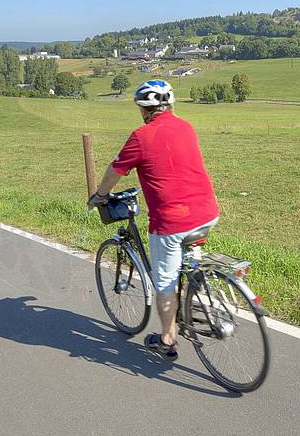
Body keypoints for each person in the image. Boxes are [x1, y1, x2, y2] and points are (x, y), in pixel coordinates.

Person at [88, 79, 219, 360]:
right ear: (169, 104)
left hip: (171, 222)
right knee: (189, 261)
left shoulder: (141, 136)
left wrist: (100, 195)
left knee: (165, 281)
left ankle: (168, 339)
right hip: (207, 212)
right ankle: (196, 295)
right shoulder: (186, 126)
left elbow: (116, 170)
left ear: (144, 109)